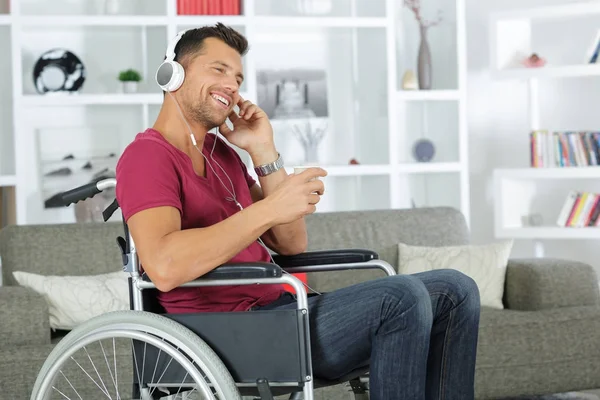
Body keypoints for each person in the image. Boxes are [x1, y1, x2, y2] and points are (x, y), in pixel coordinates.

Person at [115, 23, 481, 400]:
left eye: (238, 78)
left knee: (456, 289)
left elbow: (292, 243)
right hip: (228, 332)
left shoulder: (222, 154)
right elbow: (164, 266)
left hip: (284, 312)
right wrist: (270, 207)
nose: (232, 85)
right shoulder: (147, 156)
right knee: (400, 297)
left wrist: (262, 150)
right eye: (218, 70)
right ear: (173, 73)